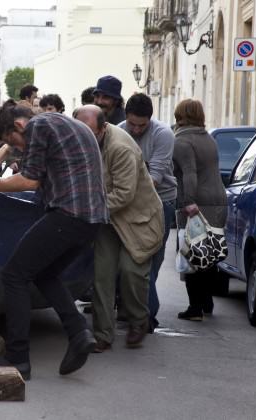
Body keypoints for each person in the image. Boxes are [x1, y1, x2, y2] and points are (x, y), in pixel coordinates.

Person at [0, 102, 109, 379]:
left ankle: (18, 358)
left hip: (69, 213)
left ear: (19, 126)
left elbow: (30, 180)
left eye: (12, 142)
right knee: (44, 274)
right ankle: (79, 332)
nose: (18, 147)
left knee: (14, 275)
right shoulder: (72, 124)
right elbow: (52, 173)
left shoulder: (39, 125)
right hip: (93, 219)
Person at [74, 105, 163, 352]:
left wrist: (86, 207)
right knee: (102, 276)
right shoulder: (83, 140)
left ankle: (138, 321)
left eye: (90, 132)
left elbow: (124, 195)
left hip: (138, 220)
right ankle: (103, 334)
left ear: (103, 128)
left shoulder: (120, 148)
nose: (85, 138)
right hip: (107, 220)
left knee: (131, 272)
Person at [119, 93, 177, 331]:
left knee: (153, 259)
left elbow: (154, 178)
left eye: (141, 125)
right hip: (131, 203)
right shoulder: (120, 131)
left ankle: (140, 309)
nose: (136, 129)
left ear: (150, 120)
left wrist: (122, 188)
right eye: (132, 123)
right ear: (126, 117)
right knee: (138, 259)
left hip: (160, 202)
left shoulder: (163, 134)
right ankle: (146, 315)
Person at [172, 99, 227, 321]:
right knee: (209, 252)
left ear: (179, 117)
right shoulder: (209, 139)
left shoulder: (182, 141)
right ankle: (207, 302)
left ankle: (195, 308)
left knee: (192, 253)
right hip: (218, 199)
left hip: (197, 203)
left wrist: (188, 201)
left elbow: (189, 174)